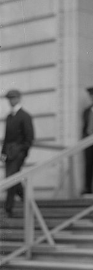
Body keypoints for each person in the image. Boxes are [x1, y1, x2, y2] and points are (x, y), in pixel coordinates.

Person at [1, 89, 34, 217]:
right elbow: (6, 137)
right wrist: (3, 152)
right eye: (9, 99)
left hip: (19, 153)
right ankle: (28, 201)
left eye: (13, 98)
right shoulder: (9, 117)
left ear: (19, 99)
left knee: (11, 178)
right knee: (13, 179)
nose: (11, 101)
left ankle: (8, 208)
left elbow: (29, 138)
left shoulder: (25, 116)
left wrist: (22, 151)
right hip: (9, 153)